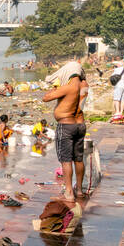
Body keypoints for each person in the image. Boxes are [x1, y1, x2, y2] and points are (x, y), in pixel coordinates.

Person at [43, 69, 88, 202]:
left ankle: (69, 192)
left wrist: (55, 88)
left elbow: (46, 98)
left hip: (66, 125)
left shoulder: (69, 87)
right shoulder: (84, 86)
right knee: (78, 159)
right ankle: (79, 190)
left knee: (66, 160)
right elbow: (79, 103)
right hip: (80, 125)